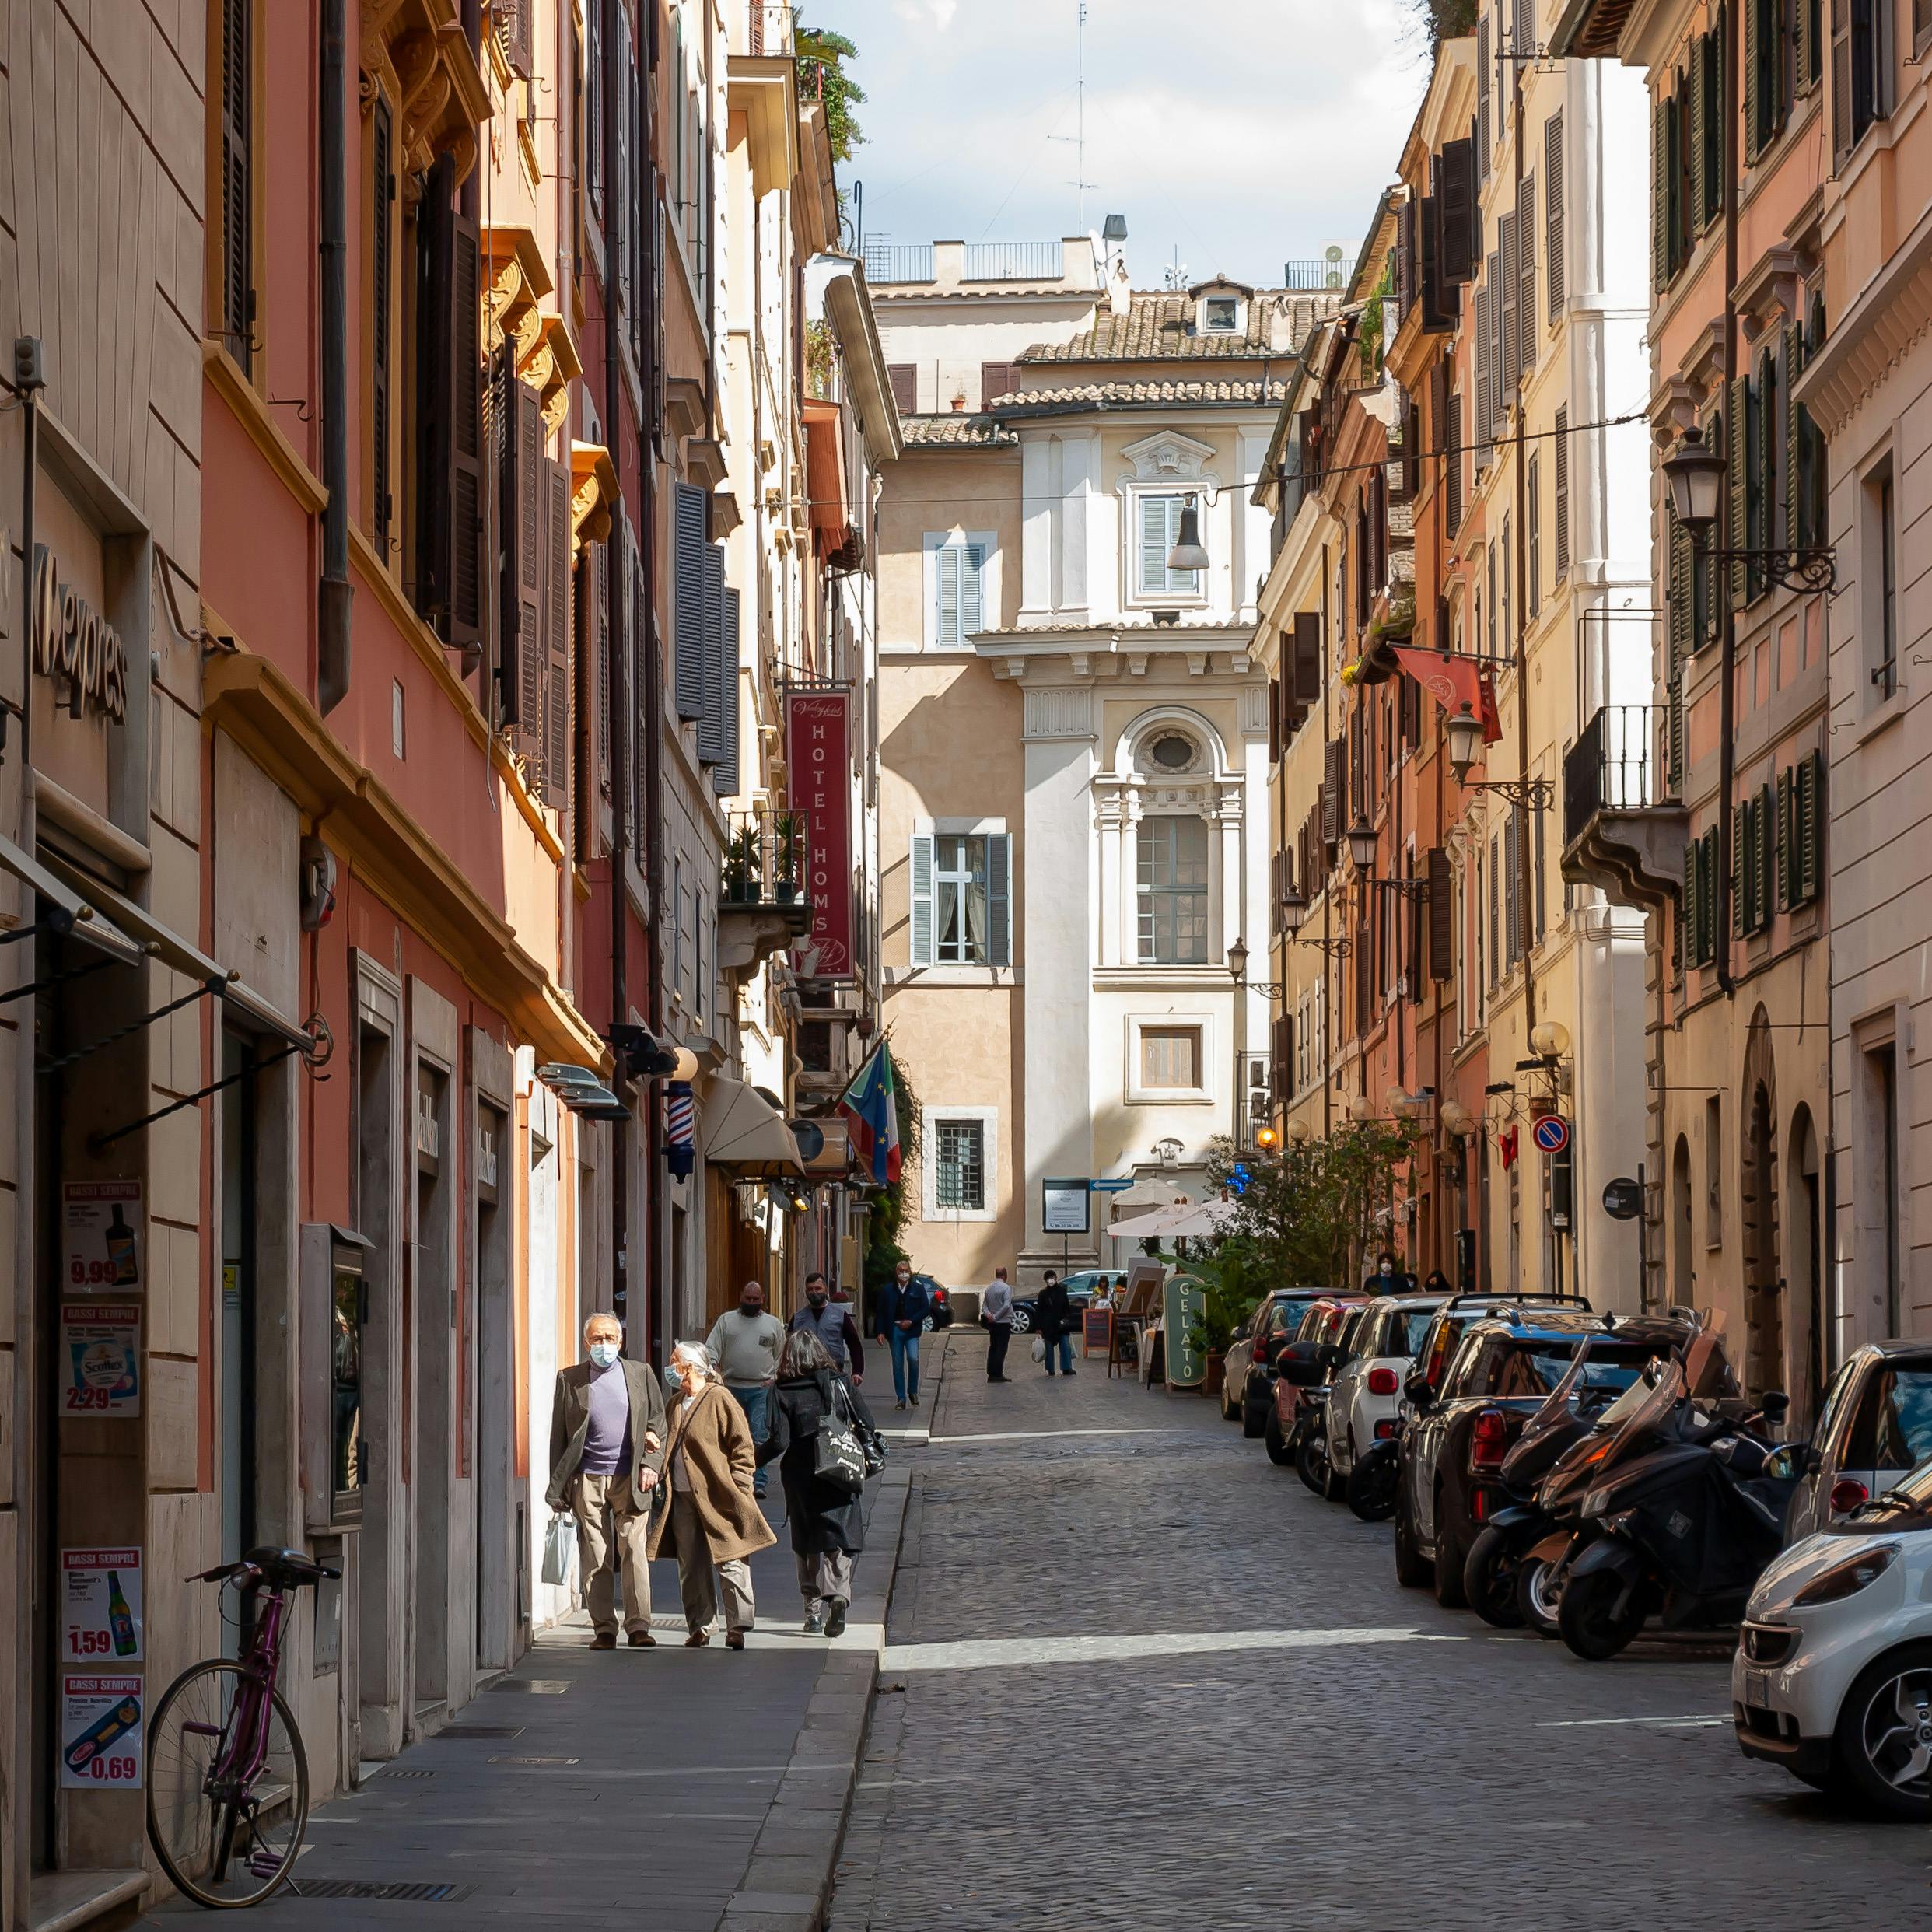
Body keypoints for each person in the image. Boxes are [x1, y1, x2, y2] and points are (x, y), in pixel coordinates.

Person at [544, 1312, 669, 1650]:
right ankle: (604, 1629)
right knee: (597, 1555)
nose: (603, 1345)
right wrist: (557, 1487)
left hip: (631, 1477)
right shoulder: (569, 1379)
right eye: (597, 1339)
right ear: (586, 1343)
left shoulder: (641, 1374)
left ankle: (639, 1626)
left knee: (634, 1549)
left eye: (609, 1339)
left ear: (620, 1341)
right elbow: (559, 1435)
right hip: (587, 1478)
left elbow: (659, 1423)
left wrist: (651, 1465)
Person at [648, 1342, 775, 1648]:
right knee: (690, 1563)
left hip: (718, 1495)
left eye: (674, 1362)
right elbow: (668, 1439)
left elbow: (742, 1446)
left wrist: (740, 1485)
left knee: (730, 1557)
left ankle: (738, 1625)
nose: (670, 1367)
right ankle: (701, 1626)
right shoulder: (675, 1402)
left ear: (690, 1367)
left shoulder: (719, 1398)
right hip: (681, 1496)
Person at [758, 1329, 877, 1636]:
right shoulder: (839, 1384)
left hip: (799, 1472)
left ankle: (811, 1613)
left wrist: (751, 1462)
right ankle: (837, 1593)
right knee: (837, 1536)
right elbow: (867, 1422)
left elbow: (779, 1439)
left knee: (806, 1540)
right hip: (837, 1468)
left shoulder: (782, 1390)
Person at [706, 1279, 786, 1498]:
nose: (751, 1302)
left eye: (755, 1299)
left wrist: (775, 1377)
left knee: (758, 1435)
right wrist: (714, 1368)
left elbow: (781, 1354)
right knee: (729, 1434)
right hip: (731, 1386)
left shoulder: (772, 1325)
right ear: (741, 1296)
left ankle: (758, 1480)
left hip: (761, 1389)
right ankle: (732, 1478)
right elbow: (711, 1347)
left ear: (763, 1300)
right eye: (747, 1298)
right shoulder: (726, 1321)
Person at [873, 1260, 931, 1410]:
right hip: (895, 1329)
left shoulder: (918, 1289)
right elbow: (881, 1312)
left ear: (910, 1272)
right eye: (901, 1271)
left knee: (913, 1358)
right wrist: (879, 1331)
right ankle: (901, 1398)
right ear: (896, 1272)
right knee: (898, 1364)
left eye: (907, 1271)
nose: (904, 1273)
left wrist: (912, 1321)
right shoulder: (888, 1290)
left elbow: (925, 1308)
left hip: (911, 1330)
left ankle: (912, 1391)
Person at [788, 1272, 866, 1382]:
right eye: (810, 1289)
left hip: (833, 1374)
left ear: (826, 1290)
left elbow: (854, 1344)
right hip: (804, 1377)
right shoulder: (798, 1318)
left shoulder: (840, 1315)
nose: (814, 1292)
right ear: (806, 1292)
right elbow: (789, 1349)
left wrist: (857, 1372)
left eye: (818, 1288)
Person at [1034, 1269, 1074, 1377]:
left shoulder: (1062, 1291)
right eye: (1048, 1279)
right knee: (1049, 1348)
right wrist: (1038, 1327)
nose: (1050, 1280)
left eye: (1052, 1278)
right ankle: (1050, 1369)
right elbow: (1039, 1311)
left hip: (1062, 1324)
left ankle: (1067, 1368)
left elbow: (1067, 1307)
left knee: (1065, 1346)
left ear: (1056, 1278)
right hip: (1048, 1326)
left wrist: (1067, 1319)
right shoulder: (1043, 1294)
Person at [981, 1268, 1015, 1382]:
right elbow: (1006, 1305)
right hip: (1003, 1322)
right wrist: (996, 1317)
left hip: (993, 1324)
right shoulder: (1006, 1288)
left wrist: (989, 1315)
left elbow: (984, 1306)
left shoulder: (989, 1288)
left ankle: (991, 1373)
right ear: (1005, 1275)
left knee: (993, 1347)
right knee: (1001, 1348)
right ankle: (998, 1373)